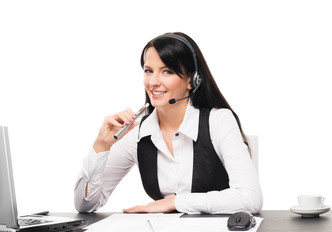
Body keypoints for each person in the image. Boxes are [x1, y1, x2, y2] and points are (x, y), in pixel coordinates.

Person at [74, 32, 263, 214]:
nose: (153, 82)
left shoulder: (219, 120)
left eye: (167, 71)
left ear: (192, 80)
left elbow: (250, 198)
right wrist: (101, 146)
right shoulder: (136, 131)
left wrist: (174, 202)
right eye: (148, 71)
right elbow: (86, 205)